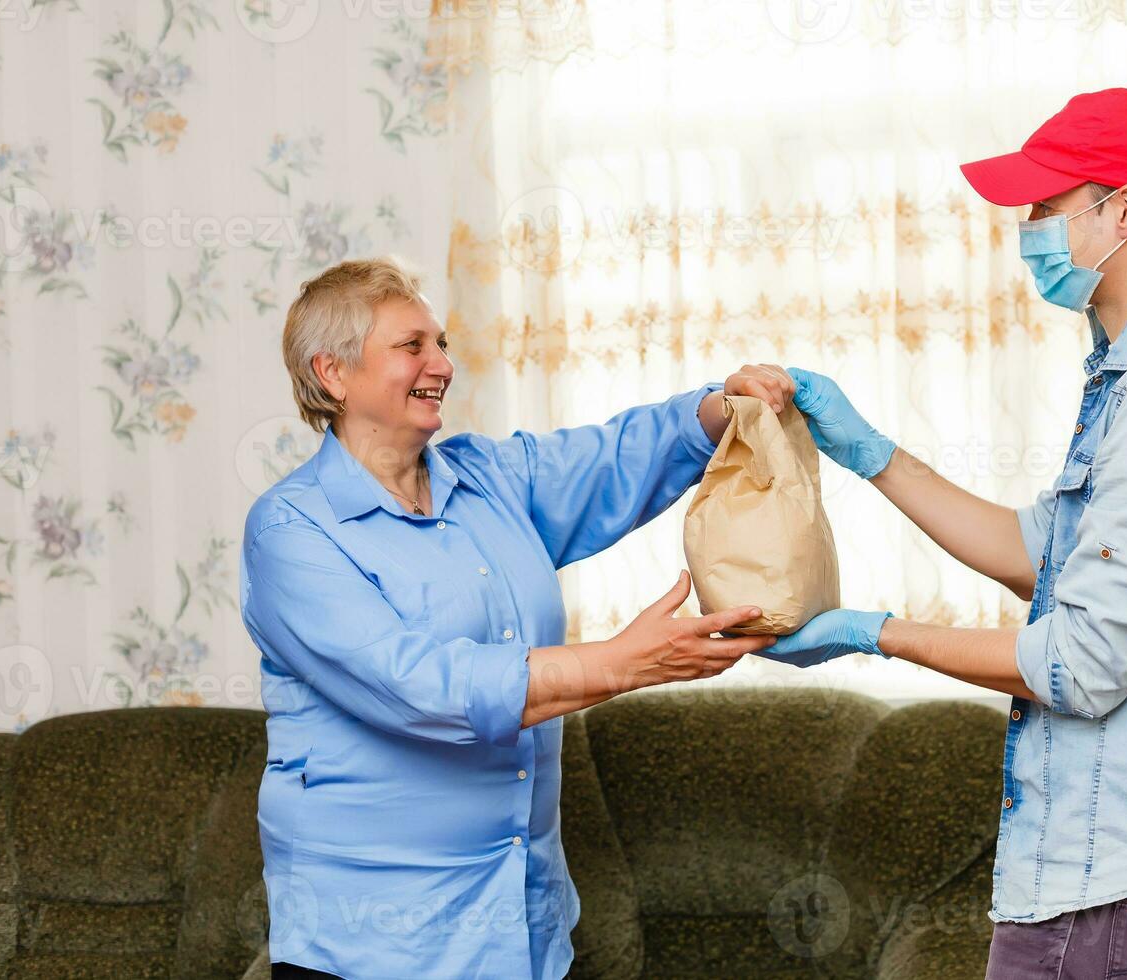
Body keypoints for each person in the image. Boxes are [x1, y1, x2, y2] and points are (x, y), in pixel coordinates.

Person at [765, 85, 1127, 979]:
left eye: (1047, 206)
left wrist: (874, 634)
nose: (1029, 227)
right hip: (1109, 864)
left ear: (1125, 213)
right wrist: (870, 453)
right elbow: (1035, 555)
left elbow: (1080, 665)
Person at [239, 255, 796, 979]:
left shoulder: (492, 479)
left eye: (441, 343)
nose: (441, 363)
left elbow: (609, 458)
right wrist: (622, 662)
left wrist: (722, 406)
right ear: (333, 373)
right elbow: (419, 687)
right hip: (374, 949)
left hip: (524, 933)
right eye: (413, 346)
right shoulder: (291, 532)